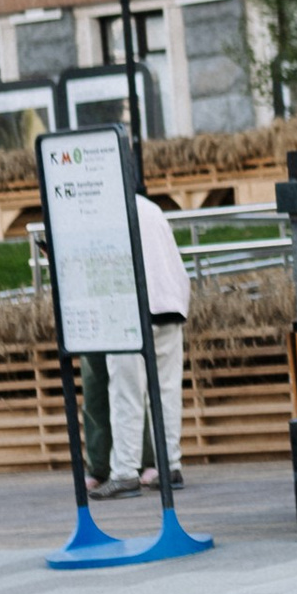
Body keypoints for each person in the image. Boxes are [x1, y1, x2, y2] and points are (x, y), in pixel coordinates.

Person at [100, 181, 191, 497]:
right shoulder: (152, 209)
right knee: (166, 392)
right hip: (170, 305)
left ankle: (125, 473)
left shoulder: (106, 211)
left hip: (130, 311)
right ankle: (170, 466)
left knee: (127, 394)